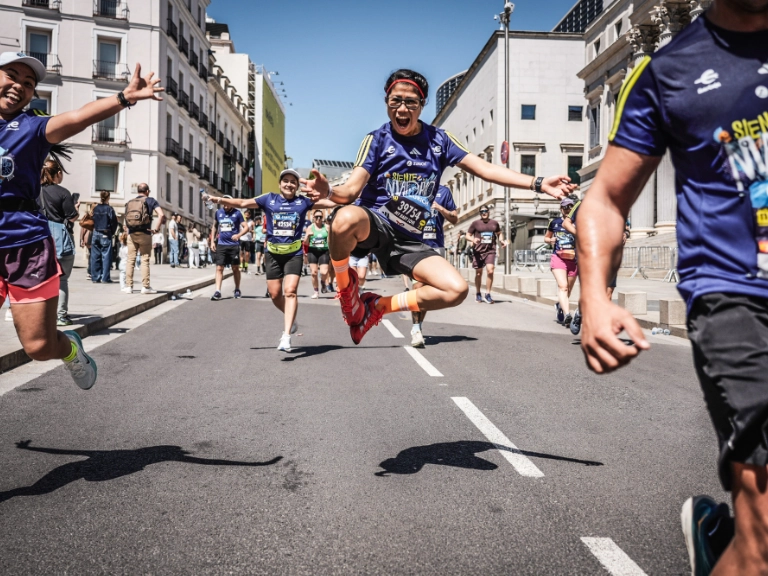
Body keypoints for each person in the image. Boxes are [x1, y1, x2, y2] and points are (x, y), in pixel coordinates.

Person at [574, 4, 768, 574]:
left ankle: (719, 541)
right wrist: (595, 299)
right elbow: (606, 199)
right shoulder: (667, 70)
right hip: (737, 296)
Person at [301, 69, 572, 344]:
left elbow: (485, 169)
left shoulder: (439, 140)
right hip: (376, 223)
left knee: (456, 290)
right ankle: (347, 294)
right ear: (386, 103)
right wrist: (330, 191)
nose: (402, 109)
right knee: (343, 218)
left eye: (410, 102)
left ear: (421, 105)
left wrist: (538, 183)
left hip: (411, 239)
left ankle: (377, 306)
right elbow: (351, 190)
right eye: (395, 101)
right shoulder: (377, 139)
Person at [0, 52, 162, 390]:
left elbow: (78, 117)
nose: (19, 86)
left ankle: (70, 348)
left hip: (24, 246)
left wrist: (124, 98)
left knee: (39, 347)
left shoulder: (32, 127)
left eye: (28, 83)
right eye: (11, 75)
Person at [205, 169, 333, 351]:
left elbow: (332, 202)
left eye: (293, 182)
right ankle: (291, 317)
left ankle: (286, 336)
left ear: (297, 186)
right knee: (275, 295)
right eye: (285, 180)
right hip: (272, 253)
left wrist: (333, 191)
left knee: (290, 291)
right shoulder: (268, 199)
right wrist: (218, 200)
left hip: (294, 254)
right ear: (279, 184)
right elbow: (242, 203)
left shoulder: (303, 202)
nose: (289, 184)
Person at [410, 184, 457, 348]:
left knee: (427, 290)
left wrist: (440, 208)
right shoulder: (412, 188)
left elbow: (454, 219)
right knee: (417, 287)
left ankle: (418, 326)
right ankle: (416, 328)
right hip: (415, 246)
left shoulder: (444, 192)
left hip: (436, 247)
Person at [38, 158, 79, 326]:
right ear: (58, 173)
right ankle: (61, 316)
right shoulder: (63, 193)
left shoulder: (35, 191)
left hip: (40, 238)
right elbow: (72, 217)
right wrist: (76, 209)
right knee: (62, 279)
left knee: (41, 280)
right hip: (60, 238)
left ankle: (43, 316)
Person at [123, 183, 164, 294]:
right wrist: (156, 229)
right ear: (147, 191)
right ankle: (145, 287)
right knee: (144, 259)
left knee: (130, 260)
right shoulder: (151, 201)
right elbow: (161, 215)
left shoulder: (131, 202)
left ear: (138, 191)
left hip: (132, 234)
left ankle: (128, 286)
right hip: (145, 233)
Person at [544, 198, 578, 326]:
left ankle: (560, 306)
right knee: (563, 286)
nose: (568, 209)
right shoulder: (554, 222)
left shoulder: (578, 223)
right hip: (558, 258)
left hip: (573, 259)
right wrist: (550, 240)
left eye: (570, 207)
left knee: (568, 289)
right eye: (565, 207)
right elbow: (546, 238)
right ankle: (568, 314)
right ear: (561, 209)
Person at [467, 206, 508, 304]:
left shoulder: (494, 223)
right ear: (480, 213)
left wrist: (502, 240)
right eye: (482, 211)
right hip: (478, 251)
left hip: (490, 250)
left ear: (489, 212)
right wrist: (473, 239)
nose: (484, 213)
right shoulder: (475, 223)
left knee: (490, 271)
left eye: (485, 211)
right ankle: (478, 293)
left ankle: (488, 294)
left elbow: (499, 233)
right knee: (478, 273)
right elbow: (468, 235)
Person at [209, 195, 246, 301]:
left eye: (227, 204)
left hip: (233, 245)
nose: (225, 206)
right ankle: (217, 291)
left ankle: (237, 289)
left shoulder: (237, 213)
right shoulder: (218, 212)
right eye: (223, 204)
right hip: (221, 244)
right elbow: (214, 226)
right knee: (219, 268)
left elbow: (246, 227)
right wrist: (212, 241)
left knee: (235, 268)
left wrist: (238, 235)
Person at [89, 190, 118, 283]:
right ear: (108, 197)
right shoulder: (109, 209)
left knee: (95, 256)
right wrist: (112, 231)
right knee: (106, 256)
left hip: (95, 232)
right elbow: (114, 222)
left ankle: (95, 277)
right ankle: (105, 278)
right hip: (105, 233)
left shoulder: (95, 208)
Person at [304, 209, 330, 298]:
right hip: (313, 251)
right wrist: (308, 235)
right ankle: (316, 291)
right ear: (313, 218)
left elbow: (331, 240)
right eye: (316, 217)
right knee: (314, 273)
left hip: (324, 251)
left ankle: (323, 282)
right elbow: (305, 243)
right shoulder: (310, 227)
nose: (318, 218)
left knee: (324, 272)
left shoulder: (326, 227)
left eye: (320, 217)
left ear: (322, 218)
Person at [239, 209, 255, 274]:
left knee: (247, 254)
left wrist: (253, 236)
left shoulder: (252, 222)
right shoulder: (241, 221)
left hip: (248, 239)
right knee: (241, 253)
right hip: (241, 238)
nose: (246, 216)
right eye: (245, 215)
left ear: (249, 215)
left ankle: (246, 266)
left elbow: (254, 231)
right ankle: (241, 266)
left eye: (247, 215)